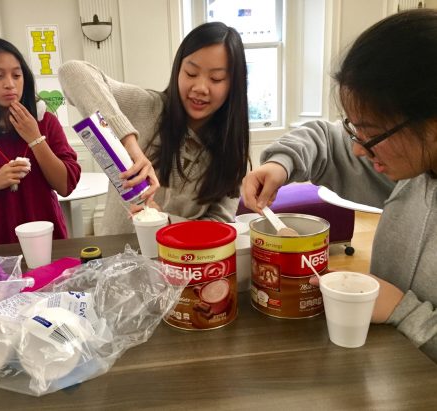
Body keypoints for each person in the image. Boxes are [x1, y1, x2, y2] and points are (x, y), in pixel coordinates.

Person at [241, 9, 437, 362]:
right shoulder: (419, 169)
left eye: (373, 134)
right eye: (355, 128)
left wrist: (404, 312)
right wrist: (280, 164)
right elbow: (326, 140)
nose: (359, 149)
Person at [59, 21, 249, 234]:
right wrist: (129, 143)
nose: (200, 88)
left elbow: (220, 224)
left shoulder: (231, 150)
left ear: (233, 84)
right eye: (191, 73)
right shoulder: (147, 106)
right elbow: (73, 72)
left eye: (216, 78)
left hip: (182, 263)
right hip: (116, 257)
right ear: (178, 70)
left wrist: (164, 221)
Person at [0, 38, 81, 246]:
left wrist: (36, 138)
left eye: (17, 75)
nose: (10, 84)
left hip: (46, 241)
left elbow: (65, 185)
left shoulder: (45, 121)